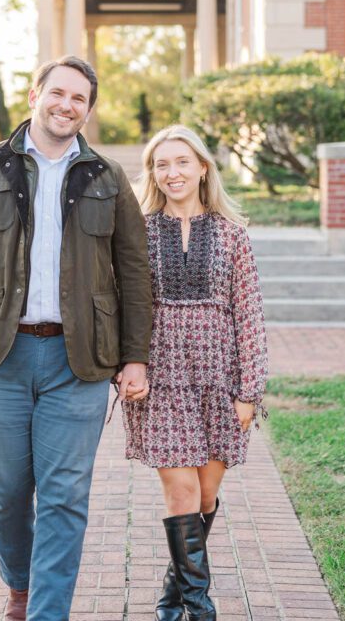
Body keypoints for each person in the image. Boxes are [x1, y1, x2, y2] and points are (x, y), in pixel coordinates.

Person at [0, 56, 152, 621]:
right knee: (6, 492)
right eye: (58, 93)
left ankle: (45, 613)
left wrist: (134, 356)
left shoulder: (106, 178)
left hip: (78, 361)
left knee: (64, 497)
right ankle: (19, 582)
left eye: (80, 99)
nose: (67, 106)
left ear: (87, 110)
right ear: (35, 95)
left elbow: (134, 273)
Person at [122, 124, 268, 621]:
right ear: (153, 173)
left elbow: (249, 314)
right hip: (161, 377)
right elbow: (125, 304)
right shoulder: (138, 231)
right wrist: (128, 364)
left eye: (182, 162)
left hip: (219, 378)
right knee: (180, 491)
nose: (172, 173)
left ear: (203, 167)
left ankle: (172, 594)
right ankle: (200, 607)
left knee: (205, 494)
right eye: (162, 164)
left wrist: (249, 390)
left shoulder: (231, 234)